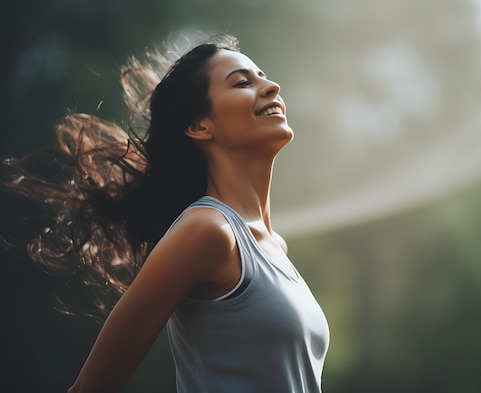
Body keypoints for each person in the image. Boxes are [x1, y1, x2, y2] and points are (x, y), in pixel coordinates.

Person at [3, 34, 329, 392]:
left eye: (263, 76)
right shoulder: (208, 231)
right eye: (242, 82)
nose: (271, 87)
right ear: (199, 126)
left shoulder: (274, 247)